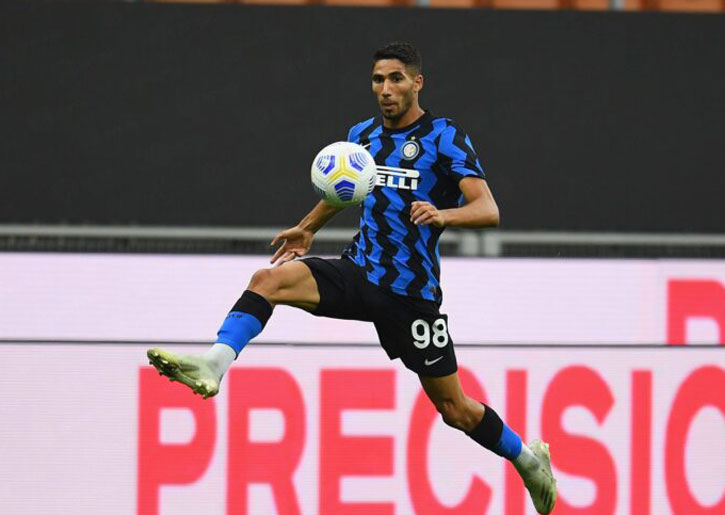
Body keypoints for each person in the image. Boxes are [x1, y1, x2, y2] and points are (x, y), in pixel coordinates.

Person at [148, 41, 557, 514]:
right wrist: (307, 227)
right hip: (359, 272)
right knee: (268, 280)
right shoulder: (360, 136)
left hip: (411, 295)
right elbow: (343, 190)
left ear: (417, 82)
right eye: (378, 80)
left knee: (455, 410)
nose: (386, 89)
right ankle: (213, 365)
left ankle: (527, 460)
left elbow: (488, 210)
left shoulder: (443, 137)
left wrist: (443, 214)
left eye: (396, 79)